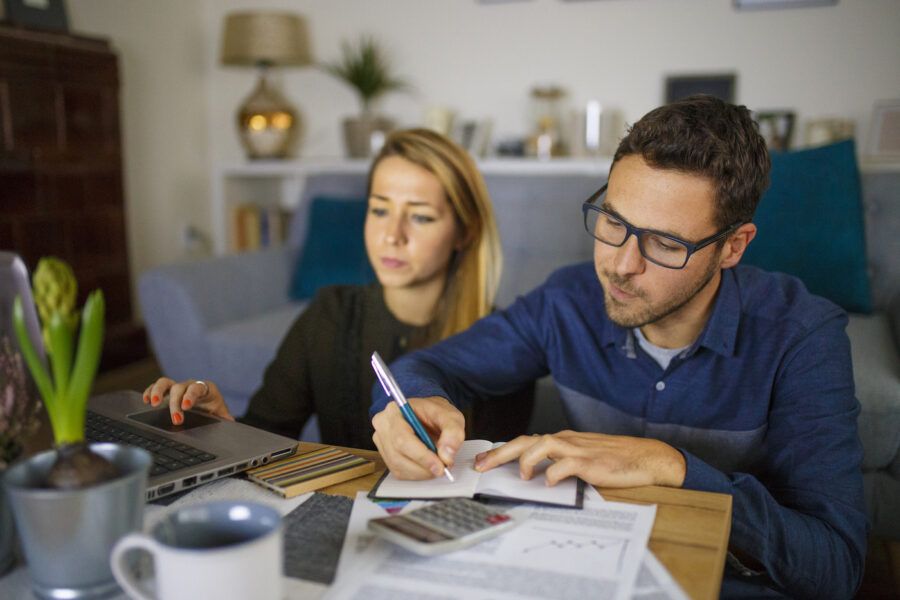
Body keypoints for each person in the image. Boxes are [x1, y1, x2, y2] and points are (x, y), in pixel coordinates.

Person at [369, 97, 867, 598]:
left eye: (666, 244)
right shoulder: (566, 301)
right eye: (613, 222)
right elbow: (429, 366)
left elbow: (836, 565)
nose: (621, 265)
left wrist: (673, 466)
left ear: (733, 247)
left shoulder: (803, 335)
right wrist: (408, 405)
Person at [145, 128, 533, 449]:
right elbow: (265, 436)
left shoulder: (504, 343)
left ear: (465, 232)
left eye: (420, 216)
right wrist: (218, 424)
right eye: (380, 209)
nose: (391, 236)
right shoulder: (329, 313)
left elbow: (488, 479)